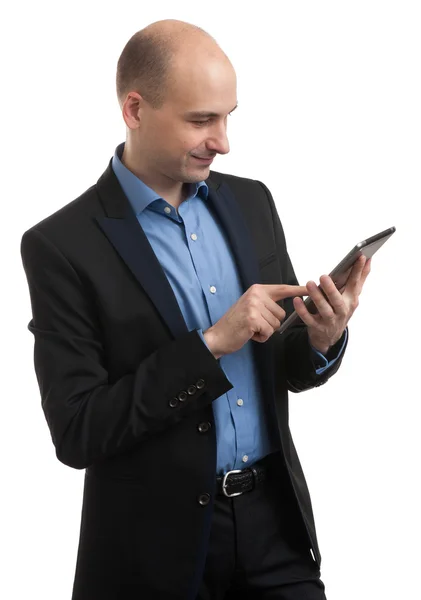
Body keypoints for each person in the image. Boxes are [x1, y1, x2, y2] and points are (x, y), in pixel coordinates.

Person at [20, 19, 371, 600]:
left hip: (274, 531)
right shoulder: (62, 246)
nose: (223, 141)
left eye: (228, 115)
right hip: (153, 553)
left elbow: (281, 365)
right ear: (134, 109)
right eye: (201, 120)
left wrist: (319, 339)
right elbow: (78, 431)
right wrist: (210, 345)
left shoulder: (252, 201)